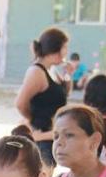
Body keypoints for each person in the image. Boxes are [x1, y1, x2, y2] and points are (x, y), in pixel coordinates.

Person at [15, 27, 70, 166]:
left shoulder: (52, 70)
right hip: (40, 137)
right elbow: (20, 103)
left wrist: (68, 75)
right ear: (58, 48)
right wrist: (32, 119)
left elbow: (62, 97)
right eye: (65, 47)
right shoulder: (37, 72)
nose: (67, 51)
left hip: (51, 135)